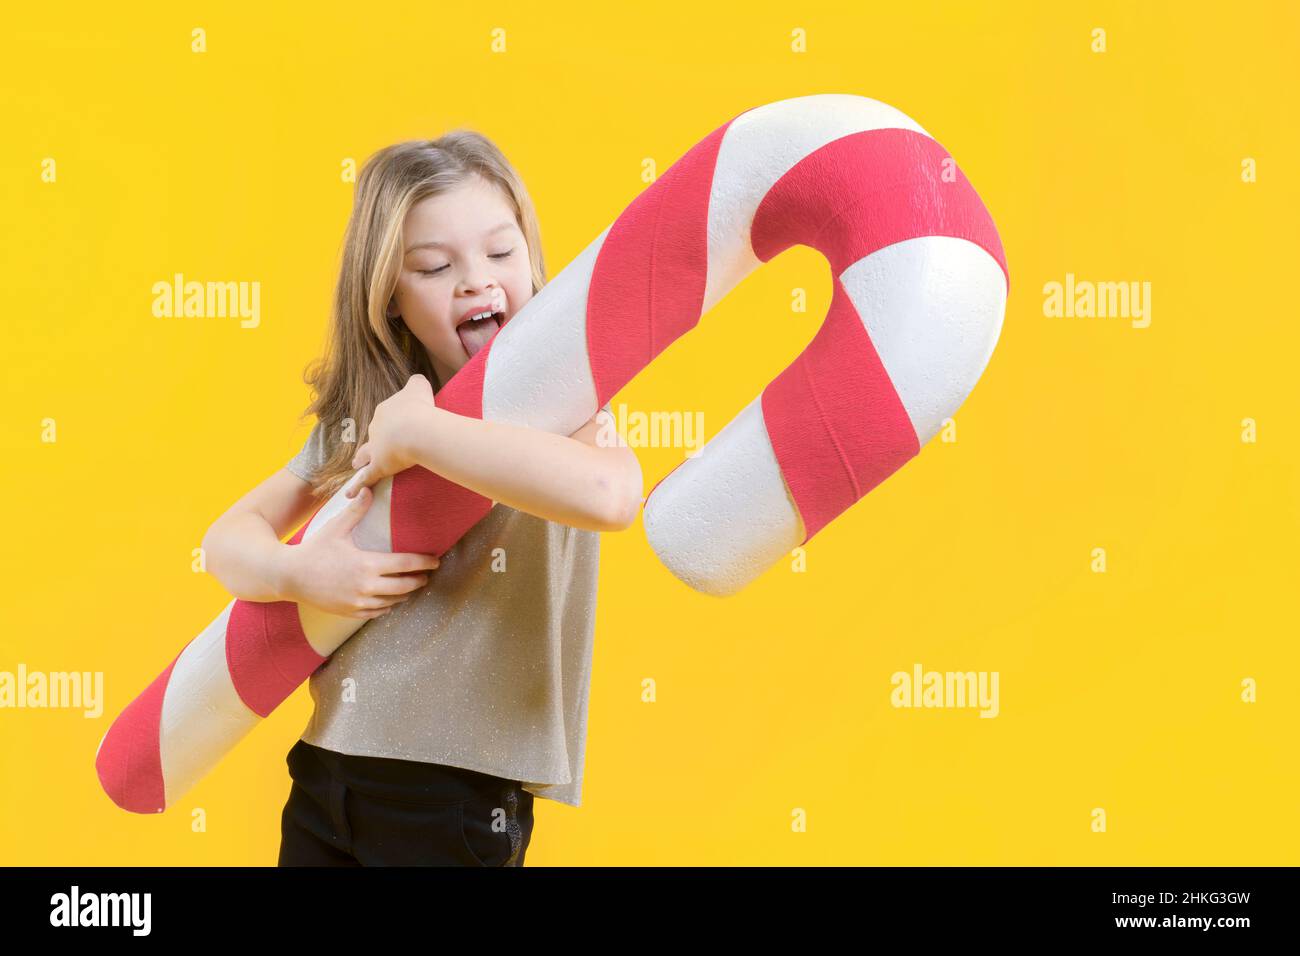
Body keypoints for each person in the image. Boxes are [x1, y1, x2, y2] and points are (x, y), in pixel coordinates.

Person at [200, 131, 642, 866]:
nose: (477, 281)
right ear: (392, 299)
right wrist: (300, 573)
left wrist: (423, 437)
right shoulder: (373, 411)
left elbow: (611, 496)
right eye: (436, 267)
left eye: (502, 253)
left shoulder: (563, 406)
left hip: (457, 797)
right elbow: (227, 541)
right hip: (326, 771)